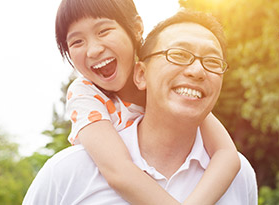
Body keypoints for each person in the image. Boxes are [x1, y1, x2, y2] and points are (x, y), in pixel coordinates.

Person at [23, 3, 246, 205]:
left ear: (137, 27)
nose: (93, 49)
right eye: (77, 41)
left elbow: (227, 156)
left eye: (104, 31)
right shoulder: (85, 95)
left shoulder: (166, 81)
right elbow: (119, 171)